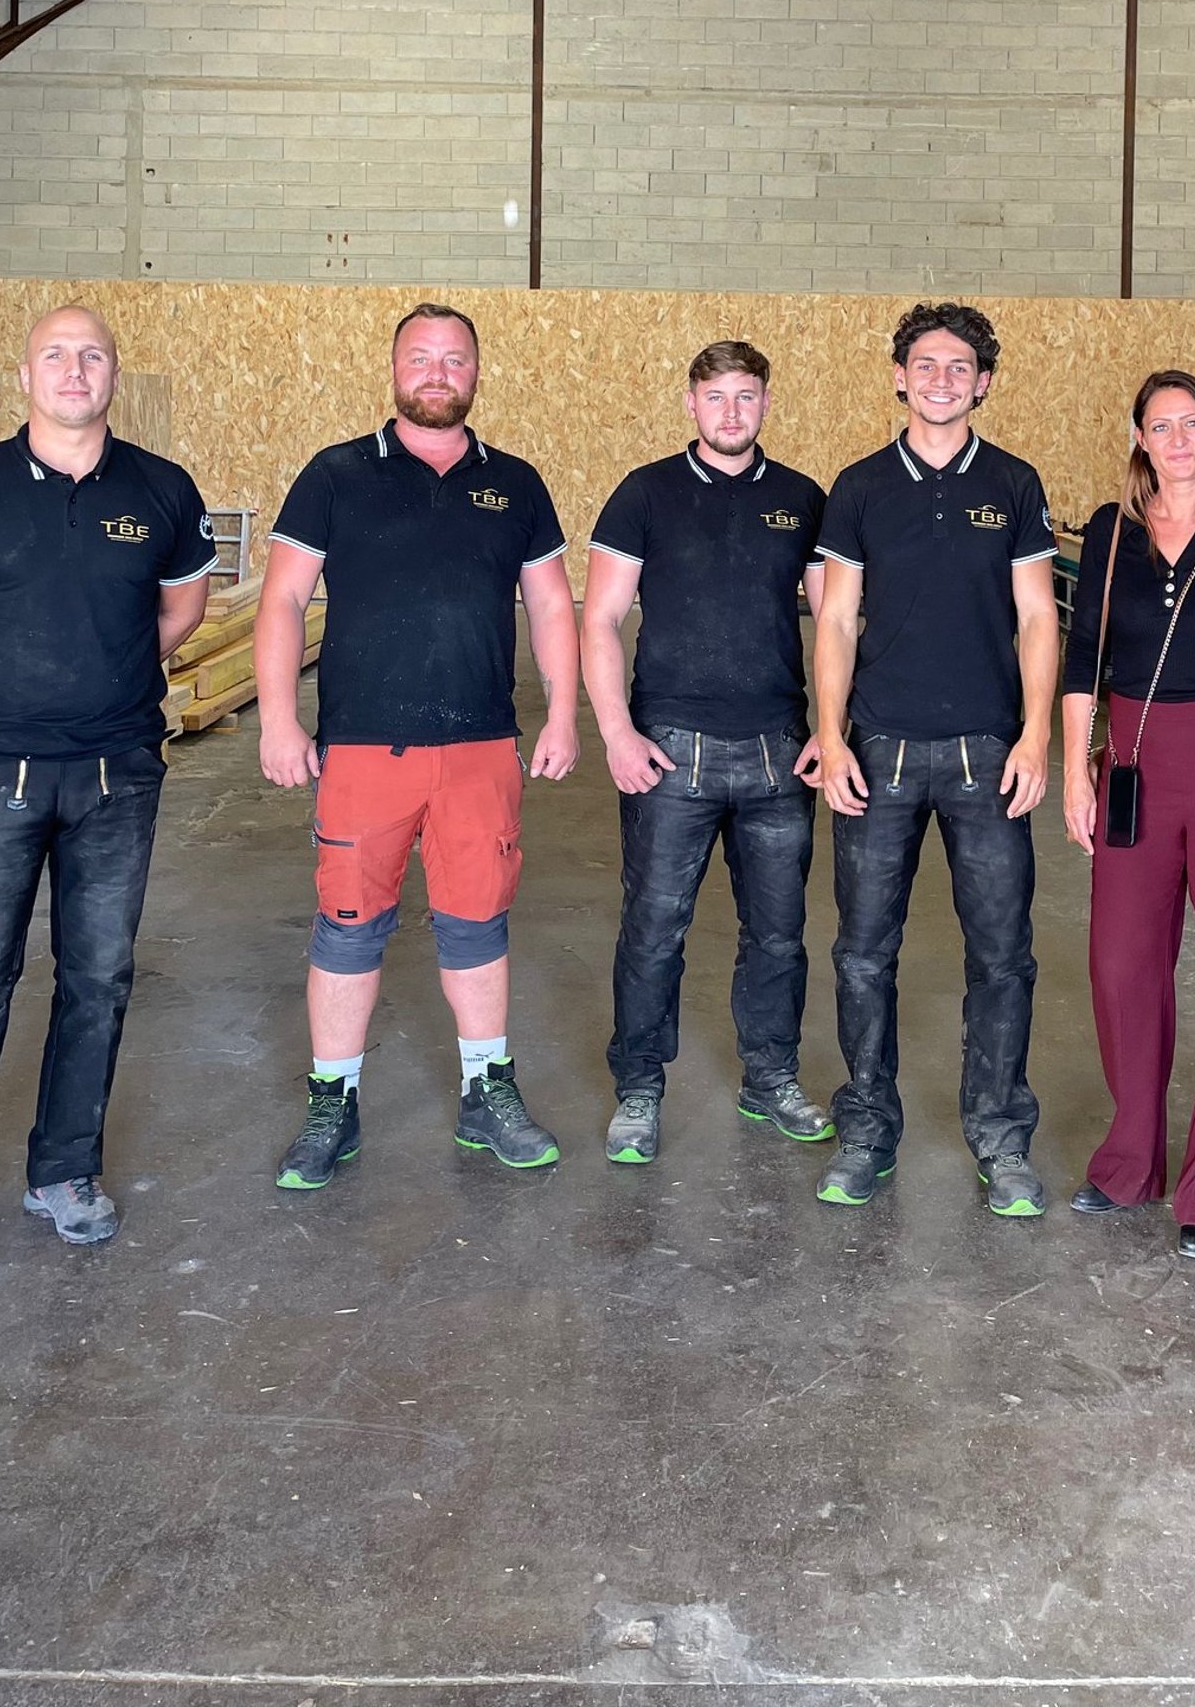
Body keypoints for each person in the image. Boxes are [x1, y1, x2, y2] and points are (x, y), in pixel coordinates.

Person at [0, 308, 217, 1305]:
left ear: (113, 375)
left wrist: (108, 677)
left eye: (92, 355)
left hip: (116, 775)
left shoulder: (161, 489)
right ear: (25, 375)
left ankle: (63, 1172)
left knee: (97, 981)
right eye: (56, 355)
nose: (74, 370)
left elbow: (182, 606)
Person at [257, 302, 579, 1189]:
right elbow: (283, 599)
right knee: (349, 926)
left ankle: (487, 1089)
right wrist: (279, 719)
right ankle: (333, 1099)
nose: (438, 372)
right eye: (422, 357)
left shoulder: (515, 484)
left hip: (480, 746)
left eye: (455, 358)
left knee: (478, 921)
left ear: (476, 372)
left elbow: (552, 604)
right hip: (364, 748)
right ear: (395, 368)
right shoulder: (336, 474)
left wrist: (563, 712)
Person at [812, 302, 1058, 1215]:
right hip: (879, 748)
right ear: (899, 377)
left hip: (986, 753)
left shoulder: (1014, 483)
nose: (942, 380)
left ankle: (1002, 1140)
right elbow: (837, 620)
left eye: (960, 367)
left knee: (1001, 956)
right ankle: (867, 1132)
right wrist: (831, 734)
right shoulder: (861, 486)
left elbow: (1038, 616)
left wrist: (1037, 734)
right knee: (862, 955)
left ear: (983, 382)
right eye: (926, 364)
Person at [583, 339, 830, 1164]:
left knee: (779, 934)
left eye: (746, 396)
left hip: (777, 755)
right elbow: (599, 619)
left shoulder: (801, 499)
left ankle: (772, 1077)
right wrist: (616, 732)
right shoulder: (644, 494)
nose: (731, 411)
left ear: (766, 404)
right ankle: (639, 1090)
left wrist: (831, 729)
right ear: (691, 403)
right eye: (716, 396)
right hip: (669, 752)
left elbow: (836, 624)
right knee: (654, 930)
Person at [1060, 372, 1195, 1259]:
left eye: (1194, 423)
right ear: (1140, 440)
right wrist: (1076, 771)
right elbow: (1084, 654)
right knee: (1121, 965)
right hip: (1134, 763)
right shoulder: (1111, 533)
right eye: (1161, 425)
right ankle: (1130, 1159)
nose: (1178, 439)